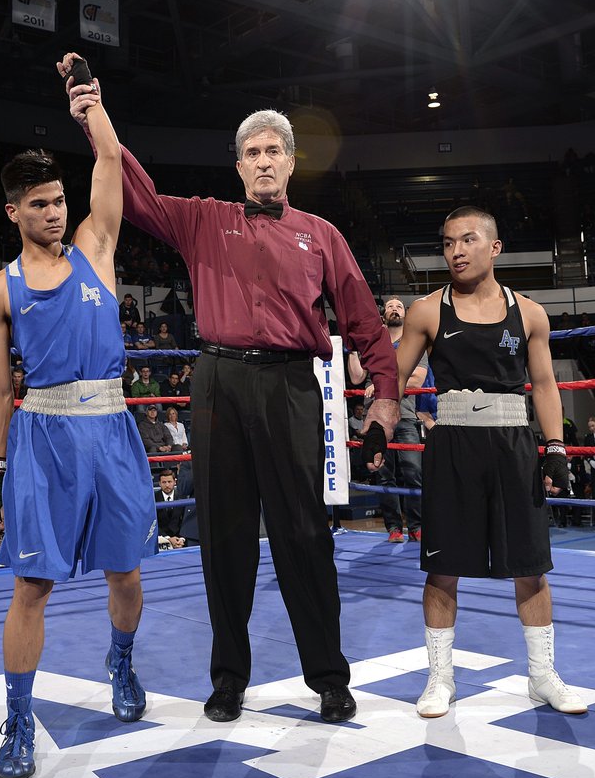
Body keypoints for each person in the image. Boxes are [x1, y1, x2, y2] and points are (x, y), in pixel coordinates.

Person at [108, 98, 399, 724]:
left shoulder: (321, 234)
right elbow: (137, 196)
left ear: (290, 164)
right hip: (217, 382)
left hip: (294, 385)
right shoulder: (204, 220)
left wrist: (385, 398)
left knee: (304, 535)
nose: (263, 162)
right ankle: (228, 679)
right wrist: (96, 115)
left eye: (274, 152)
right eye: (252, 153)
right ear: (238, 165)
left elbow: (365, 322)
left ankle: (328, 678)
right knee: (223, 536)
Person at [0, 58, 157, 778]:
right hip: (41, 438)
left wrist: (88, 103)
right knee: (31, 588)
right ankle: (19, 719)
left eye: (58, 199)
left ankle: (120, 662)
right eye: (41, 204)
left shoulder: (96, 249)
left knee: (127, 572)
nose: (55, 211)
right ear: (14, 212)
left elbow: (111, 159)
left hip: (112, 427)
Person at [394, 206, 585, 719]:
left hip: (513, 446)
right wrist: (376, 425)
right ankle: (440, 679)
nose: (455, 250)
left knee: (531, 567)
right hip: (453, 445)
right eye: (448, 242)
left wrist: (557, 446)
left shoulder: (531, 313)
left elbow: (544, 385)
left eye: (467, 240)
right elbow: (392, 378)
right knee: (443, 569)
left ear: (494, 247)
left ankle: (543, 676)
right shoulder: (427, 311)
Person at [348, 296, 425, 543]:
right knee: (383, 474)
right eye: (390, 306)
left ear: (405, 314)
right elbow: (358, 377)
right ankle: (394, 527)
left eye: (399, 306)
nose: (394, 309)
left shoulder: (413, 343)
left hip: (404, 414)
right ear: (383, 315)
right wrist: (353, 345)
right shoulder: (374, 343)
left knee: (413, 472)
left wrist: (381, 384)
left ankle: (416, 526)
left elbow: (418, 379)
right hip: (376, 418)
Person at [154, 468, 188, 550]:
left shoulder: (183, 497)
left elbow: (186, 520)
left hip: (181, 540)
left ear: (175, 482)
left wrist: (181, 539)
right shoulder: (153, 498)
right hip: (161, 540)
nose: (167, 485)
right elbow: (153, 522)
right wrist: (168, 538)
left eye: (169, 482)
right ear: (159, 483)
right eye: (164, 482)